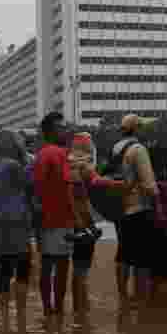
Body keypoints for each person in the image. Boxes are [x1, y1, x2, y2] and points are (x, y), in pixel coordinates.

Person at [66, 130, 121, 312]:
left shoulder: (69, 163)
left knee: (77, 269)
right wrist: (124, 184)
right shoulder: (84, 164)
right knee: (82, 269)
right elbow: (97, 182)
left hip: (73, 223)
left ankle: (77, 308)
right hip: (84, 224)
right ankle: (82, 311)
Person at [114, 113, 166, 301]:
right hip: (139, 208)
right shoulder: (138, 149)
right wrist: (158, 206)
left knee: (124, 253)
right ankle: (140, 298)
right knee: (142, 258)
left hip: (121, 208)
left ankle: (123, 298)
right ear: (136, 129)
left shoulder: (117, 148)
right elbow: (149, 184)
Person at [33, 112, 75, 316]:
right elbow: (42, 189)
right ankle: (54, 310)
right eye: (61, 127)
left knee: (52, 266)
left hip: (55, 220)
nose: (65, 130)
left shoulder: (49, 153)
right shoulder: (53, 153)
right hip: (56, 221)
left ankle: (51, 311)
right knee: (58, 266)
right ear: (50, 131)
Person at [0, 128, 33, 307]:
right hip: (17, 220)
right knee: (22, 264)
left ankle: (4, 316)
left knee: (4, 266)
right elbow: (30, 184)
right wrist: (25, 157)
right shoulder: (14, 165)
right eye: (19, 141)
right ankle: (21, 313)